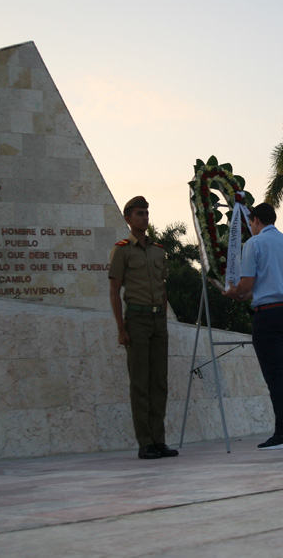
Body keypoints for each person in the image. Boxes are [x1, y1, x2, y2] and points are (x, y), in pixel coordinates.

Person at [224, 203, 283, 450]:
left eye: (251, 222)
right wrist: (245, 293)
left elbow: (248, 283)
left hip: (269, 315)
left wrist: (232, 292)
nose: (251, 227)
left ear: (256, 220)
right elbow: (275, 281)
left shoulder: (255, 244)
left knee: (276, 376)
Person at [109, 196, 178, 460]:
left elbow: (163, 288)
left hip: (157, 320)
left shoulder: (158, 250)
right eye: (139, 214)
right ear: (128, 218)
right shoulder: (122, 249)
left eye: (146, 213)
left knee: (159, 382)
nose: (144, 218)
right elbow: (114, 292)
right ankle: (145, 442)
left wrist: (163, 319)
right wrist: (121, 328)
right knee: (140, 383)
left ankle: (159, 440)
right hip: (135, 320)